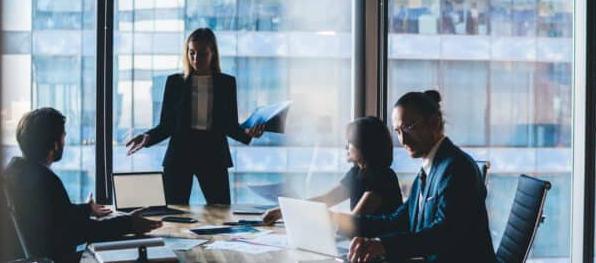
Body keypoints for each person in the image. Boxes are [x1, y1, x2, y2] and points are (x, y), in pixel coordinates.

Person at [343, 90, 496, 263]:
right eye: (398, 131)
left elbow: (443, 234)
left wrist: (382, 245)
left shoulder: (457, 169)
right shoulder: (429, 171)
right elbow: (397, 221)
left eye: (408, 128)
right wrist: (342, 223)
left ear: (434, 124)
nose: (403, 140)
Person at [125, 28, 264, 205]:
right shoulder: (175, 82)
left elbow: (229, 125)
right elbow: (167, 125)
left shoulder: (226, 83)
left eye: (202, 54)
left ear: (213, 53)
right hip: (179, 156)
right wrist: (148, 136)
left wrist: (248, 133)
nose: (196, 59)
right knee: (174, 213)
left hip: (213, 156)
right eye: (192, 53)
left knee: (221, 213)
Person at [3, 107, 162, 263]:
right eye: (63, 136)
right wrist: (129, 223)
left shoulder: (14, 172)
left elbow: (54, 215)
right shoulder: (45, 180)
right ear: (55, 144)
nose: (64, 142)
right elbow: (78, 231)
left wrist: (87, 209)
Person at [261, 116, 403, 225]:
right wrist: (282, 211)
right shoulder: (357, 172)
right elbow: (326, 199)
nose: (346, 147)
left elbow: (354, 222)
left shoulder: (383, 177)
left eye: (350, 142)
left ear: (365, 146)